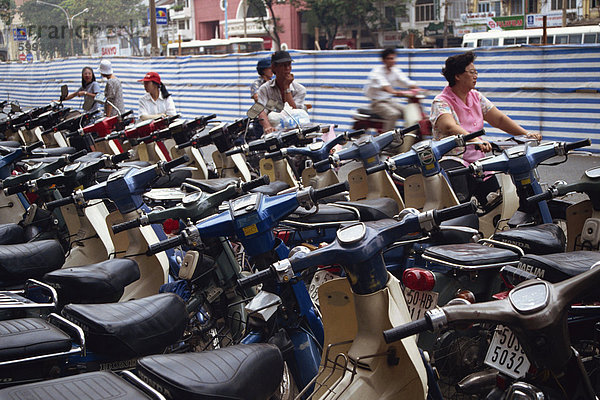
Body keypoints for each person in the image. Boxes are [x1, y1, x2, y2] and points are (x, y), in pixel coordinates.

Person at [430, 51, 543, 204]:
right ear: (457, 76)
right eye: (472, 72)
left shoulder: (476, 97)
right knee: (461, 204)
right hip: (453, 159)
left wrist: (526, 134)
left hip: (478, 162)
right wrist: (475, 140)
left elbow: (500, 120)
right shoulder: (441, 102)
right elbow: (449, 126)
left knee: (495, 202)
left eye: (476, 72)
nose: (476, 76)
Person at [364, 47, 420, 132]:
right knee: (393, 114)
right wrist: (396, 92)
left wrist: (419, 89)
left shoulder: (395, 71)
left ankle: (407, 137)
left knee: (408, 112)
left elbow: (406, 81)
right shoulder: (377, 72)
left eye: (393, 58)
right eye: (389, 58)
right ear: (383, 60)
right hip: (377, 103)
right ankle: (387, 140)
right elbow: (386, 86)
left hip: (389, 101)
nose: (392, 60)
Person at [256, 50, 306, 134]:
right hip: (273, 134)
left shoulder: (300, 89)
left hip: (295, 133)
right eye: (283, 65)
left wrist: (287, 88)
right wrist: (267, 127)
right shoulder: (264, 88)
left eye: (289, 65)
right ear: (274, 67)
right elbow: (261, 110)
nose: (287, 68)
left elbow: (293, 113)